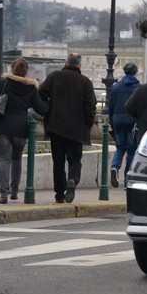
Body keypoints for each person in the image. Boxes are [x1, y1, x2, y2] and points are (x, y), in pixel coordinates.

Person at [0, 58, 49, 204]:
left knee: (3, 160)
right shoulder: (31, 88)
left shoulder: (4, 83)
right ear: (26, 71)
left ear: (12, 69)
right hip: (20, 128)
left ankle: (3, 194)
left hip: (1, 126)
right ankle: (14, 191)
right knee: (16, 159)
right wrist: (50, 102)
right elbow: (42, 109)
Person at [39, 53, 97, 204]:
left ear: (65, 63)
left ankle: (59, 194)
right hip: (76, 130)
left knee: (58, 162)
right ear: (79, 66)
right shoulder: (86, 82)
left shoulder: (54, 76)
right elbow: (90, 107)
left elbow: (40, 95)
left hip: (56, 127)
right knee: (75, 160)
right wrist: (87, 125)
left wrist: (47, 110)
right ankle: (72, 180)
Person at [109, 62, 141, 188]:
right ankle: (127, 179)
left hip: (117, 121)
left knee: (120, 147)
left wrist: (112, 123)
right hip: (132, 121)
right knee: (132, 150)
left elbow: (111, 107)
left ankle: (115, 167)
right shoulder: (138, 88)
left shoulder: (116, 87)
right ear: (135, 72)